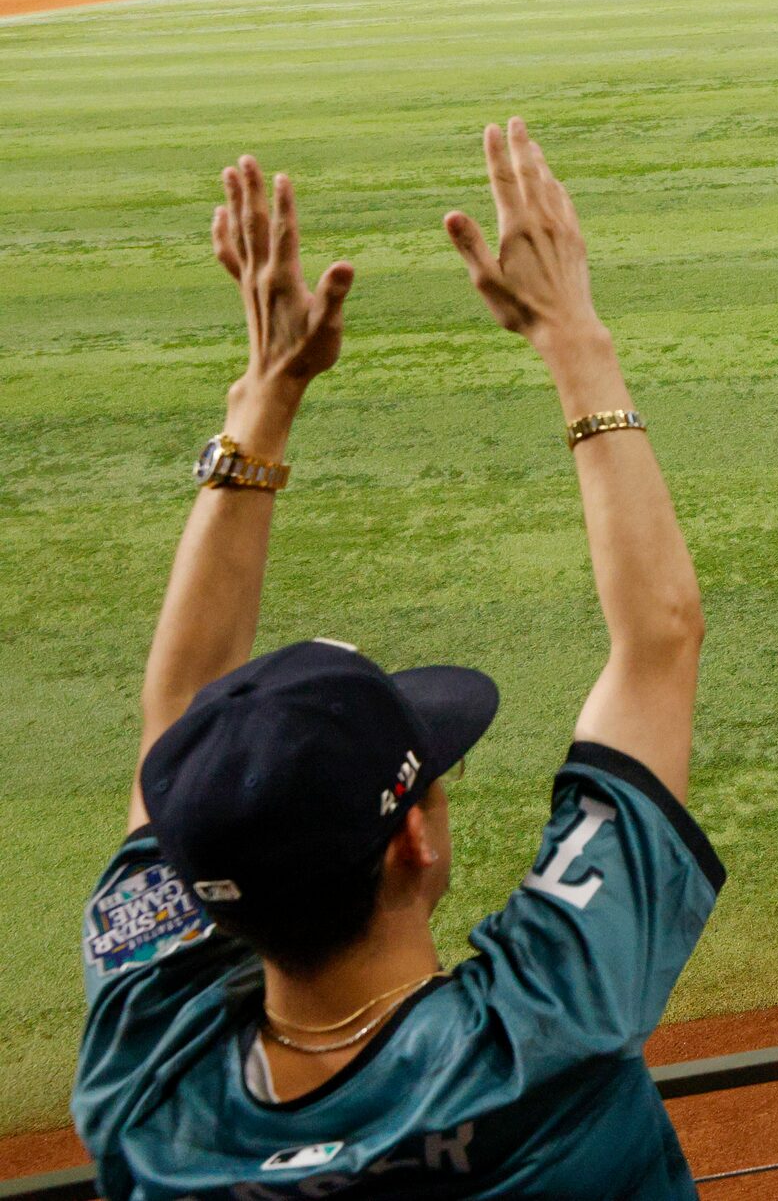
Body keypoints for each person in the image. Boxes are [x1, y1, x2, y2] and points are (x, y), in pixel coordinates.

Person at [75, 126, 718, 1198]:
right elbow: (659, 638)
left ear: (195, 890)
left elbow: (178, 736)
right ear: (410, 841)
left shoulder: (144, 1091)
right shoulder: (542, 1038)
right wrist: (573, 336)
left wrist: (263, 399)